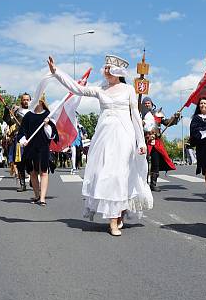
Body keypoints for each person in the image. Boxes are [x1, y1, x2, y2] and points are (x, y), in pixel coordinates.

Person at [48, 54, 152, 237]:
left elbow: (136, 116)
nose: (104, 71)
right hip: (104, 137)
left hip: (123, 136)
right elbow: (77, 89)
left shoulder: (128, 89)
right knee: (105, 173)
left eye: (107, 68)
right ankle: (115, 215)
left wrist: (141, 141)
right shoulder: (100, 89)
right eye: (104, 68)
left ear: (116, 72)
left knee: (120, 174)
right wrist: (57, 72)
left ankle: (115, 218)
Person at [19, 94, 58, 206]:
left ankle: (42, 198)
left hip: (43, 147)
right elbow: (22, 131)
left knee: (44, 172)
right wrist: (23, 140)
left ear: (41, 102)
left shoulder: (48, 115)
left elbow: (52, 135)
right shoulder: (28, 116)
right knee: (32, 172)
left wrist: (47, 125)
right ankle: (36, 195)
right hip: (30, 147)